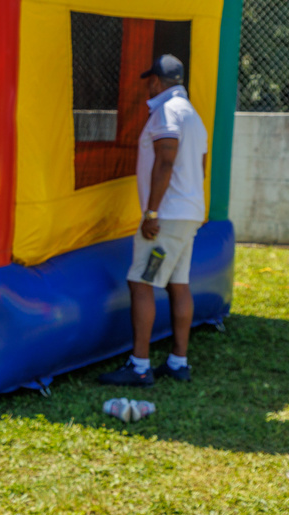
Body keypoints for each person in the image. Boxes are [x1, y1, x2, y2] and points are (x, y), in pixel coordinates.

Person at [99, 54, 208, 387]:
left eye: (150, 80)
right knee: (179, 283)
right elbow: (201, 166)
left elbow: (165, 161)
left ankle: (140, 366)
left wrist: (152, 212)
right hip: (188, 214)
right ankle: (178, 362)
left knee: (141, 282)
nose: (149, 86)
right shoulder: (193, 115)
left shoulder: (166, 112)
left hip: (166, 218)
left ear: (157, 81)